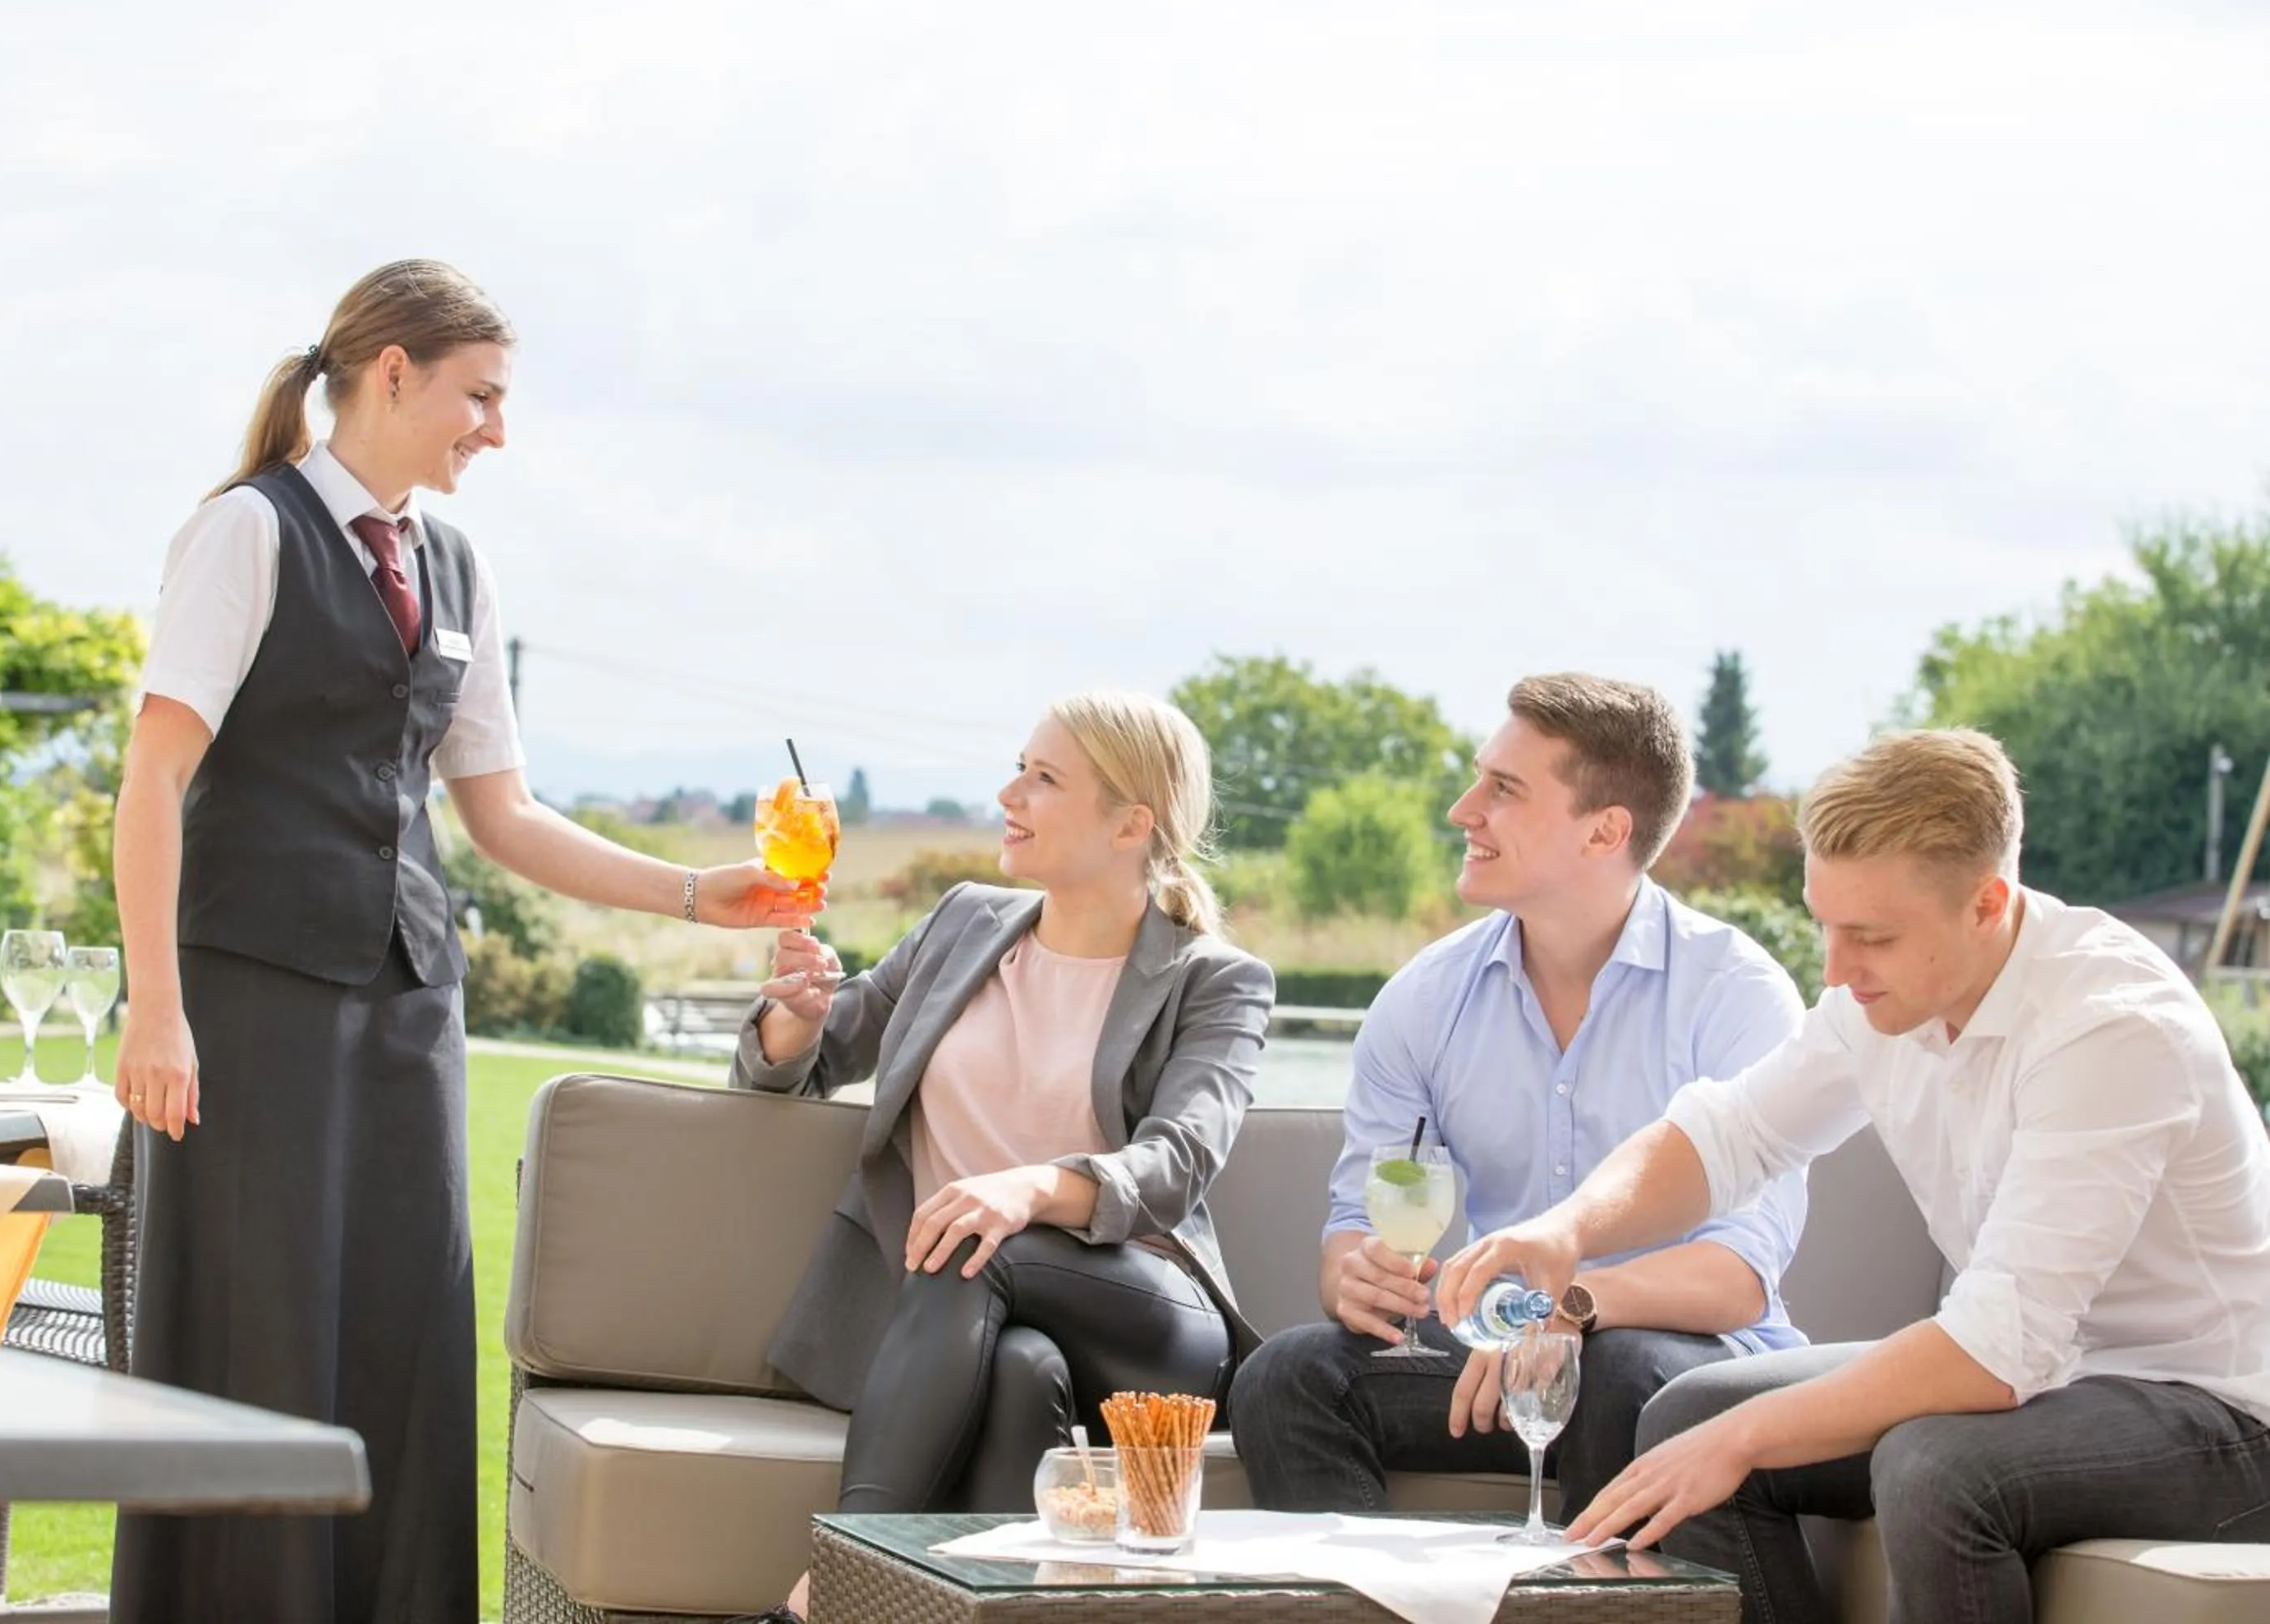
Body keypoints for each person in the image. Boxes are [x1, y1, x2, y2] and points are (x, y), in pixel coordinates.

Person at [110, 259, 815, 1624]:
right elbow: (153, 780)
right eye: (479, 396)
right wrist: (158, 1008)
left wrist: (691, 894)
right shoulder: (249, 535)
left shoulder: (454, 561)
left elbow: (503, 813)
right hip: (250, 1006)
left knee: (403, 1339)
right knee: (263, 1339)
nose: (497, 428)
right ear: (390, 374)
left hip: (408, 1011)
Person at [1440, 728, 2270, 1624]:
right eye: (1826, 924)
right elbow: (1729, 1135)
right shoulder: (1883, 994)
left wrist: (1747, 1435)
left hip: (2218, 1409)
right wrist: (1566, 1228)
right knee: (1687, 1415)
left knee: (1935, 1465)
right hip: (2055, 1372)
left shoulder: (2110, 1029)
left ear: (1989, 901)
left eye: (1869, 935)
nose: (1835, 971)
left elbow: (1997, 1347)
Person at [729, 691, 1275, 1622]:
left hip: (1144, 1314)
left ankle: (828, 1589)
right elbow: (804, 1062)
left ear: (1130, 823)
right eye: (1020, 766)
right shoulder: (962, 925)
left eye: (1044, 777)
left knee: (981, 1239)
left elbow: (1177, 1160)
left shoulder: (1215, 979)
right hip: (968, 1317)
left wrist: (1024, 1189)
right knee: (1020, 1369)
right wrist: (795, 1016)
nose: (1007, 792)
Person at [1228, 672, 1809, 1521]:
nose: (1466, 808)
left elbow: (1739, 1276)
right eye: (1478, 779)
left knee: (1622, 1369)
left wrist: (1563, 1310)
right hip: (1497, 1359)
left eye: (1503, 789)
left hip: (1685, 1368)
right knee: (1287, 1374)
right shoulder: (1424, 999)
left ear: (1605, 829)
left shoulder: (1736, 994)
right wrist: (1359, 1274)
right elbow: (1354, 1224)